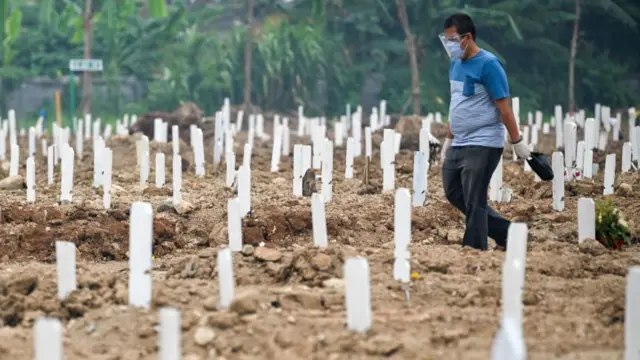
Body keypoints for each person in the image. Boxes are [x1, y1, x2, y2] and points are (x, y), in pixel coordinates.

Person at [438, 13, 530, 250]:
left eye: (452, 39)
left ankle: (474, 248)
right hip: (459, 142)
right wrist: (449, 139)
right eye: (445, 39)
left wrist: (516, 140)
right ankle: (508, 231)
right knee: (453, 191)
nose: (449, 45)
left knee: (474, 198)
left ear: (467, 38)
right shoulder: (455, 64)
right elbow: (456, 104)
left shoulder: (489, 64)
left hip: (484, 141)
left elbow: (504, 107)